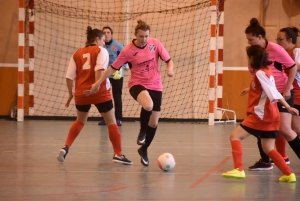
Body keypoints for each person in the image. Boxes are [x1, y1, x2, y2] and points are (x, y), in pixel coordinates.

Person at [84, 20, 174, 166]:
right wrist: (98, 82)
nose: (144, 39)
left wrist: (170, 69)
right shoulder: (128, 50)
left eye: (146, 36)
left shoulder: (155, 44)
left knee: (154, 122)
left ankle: (144, 150)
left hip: (156, 85)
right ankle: (142, 132)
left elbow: (169, 60)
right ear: (135, 35)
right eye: (141, 37)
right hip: (137, 84)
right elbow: (112, 68)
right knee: (148, 105)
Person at [56, 26, 132, 165]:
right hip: (99, 92)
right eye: (102, 39)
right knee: (111, 122)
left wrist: (69, 94)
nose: (104, 43)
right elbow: (99, 69)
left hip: (81, 94)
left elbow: (69, 76)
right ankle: (118, 154)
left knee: (79, 121)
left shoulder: (76, 53)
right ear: (97, 40)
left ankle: (65, 147)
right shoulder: (100, 50)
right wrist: (96, 86)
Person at [222, 45, 297, 183]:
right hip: (272, 116)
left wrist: (287, 107)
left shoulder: (260, 73)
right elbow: (269, 88)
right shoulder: (267, 71)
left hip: (261, 116)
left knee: (235, 136)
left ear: (253, 58)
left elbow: (272, 92)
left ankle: (238, 169)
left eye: (248, 57)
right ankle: (288, 174)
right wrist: (250, 88)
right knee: (268, 148)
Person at [241, 18, 300, 171]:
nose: (249, 42)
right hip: (267, 94)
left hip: (283, 92)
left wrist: (287, 89)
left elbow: (293, 67)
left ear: (260, 37)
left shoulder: (276, 49)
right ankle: (265, 161)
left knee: (286, 129)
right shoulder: (254, 53)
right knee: (261, 124)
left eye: (251, 39)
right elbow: (259, 75)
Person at [98, 26, 126, 126]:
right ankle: (104, 118)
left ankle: (118, 119)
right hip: (105, 75)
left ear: (111, 34)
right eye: (104, 32)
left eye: (108, 32)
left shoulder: (118, 46)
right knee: (104, 96)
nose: (106, 34)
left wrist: (120, 69)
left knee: (117, 96)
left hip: (117, 75)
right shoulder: (100, 47)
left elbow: (124, 59)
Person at [276, 27, 300, 138]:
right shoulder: (284, 53)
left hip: (297, 93)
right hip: (289, 93)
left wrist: (290, 63)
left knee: (295, 128)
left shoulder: (296, 51)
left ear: (289, 40)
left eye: (280, 39)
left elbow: (296, 67)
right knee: (287, 128)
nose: (278, 42)